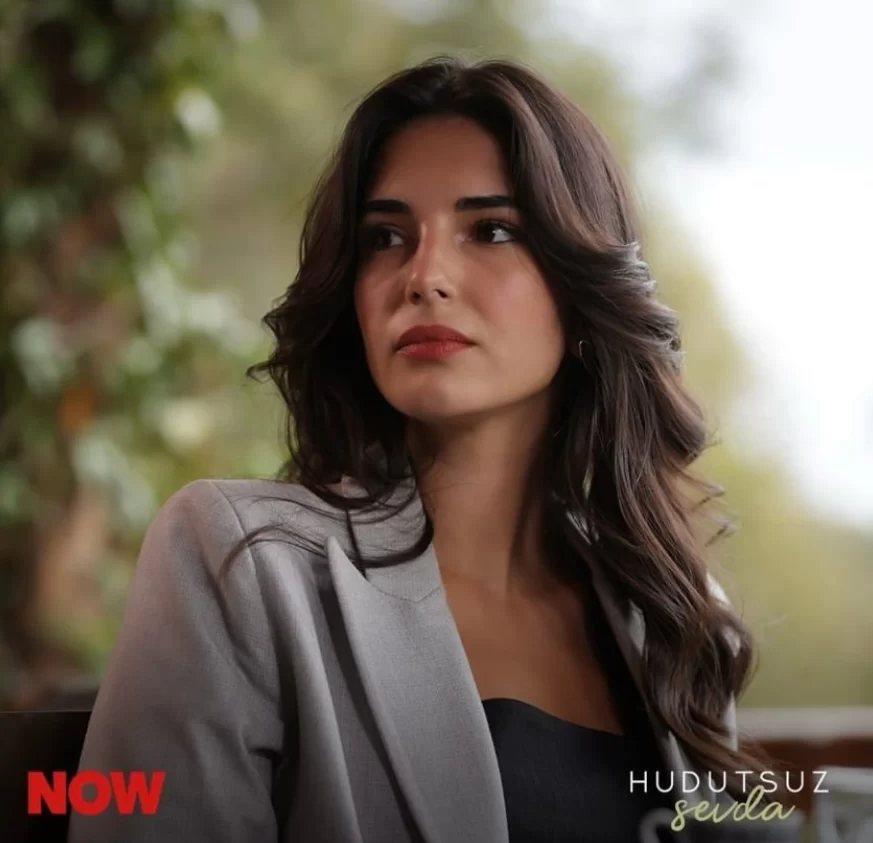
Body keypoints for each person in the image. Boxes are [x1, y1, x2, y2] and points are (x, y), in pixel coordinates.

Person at [68, 55, 768, 843]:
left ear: (581, 292)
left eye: (491, 230)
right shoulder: (238, 560)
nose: (424, 275)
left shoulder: (672, 614)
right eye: (386, 237)